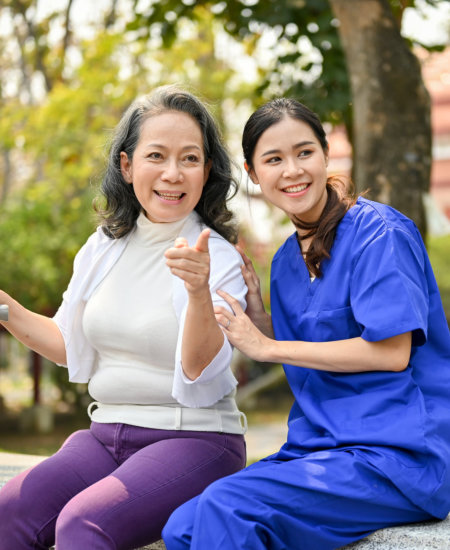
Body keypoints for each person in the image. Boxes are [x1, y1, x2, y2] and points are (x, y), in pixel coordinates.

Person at [162, 97, 450, 550]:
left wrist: (267, 347)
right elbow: (317, 344)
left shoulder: (380, 233)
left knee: (227, 508)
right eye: (273, 159)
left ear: (325, 153)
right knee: (182, 525)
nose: (292, 170)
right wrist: (260, 317)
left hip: (397, 456)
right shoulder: (285, 262)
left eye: (304, 152)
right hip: (321, 450)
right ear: (253, 173)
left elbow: (392, 352)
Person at [0, 86, 248, 550]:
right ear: (127, 165)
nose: (173, 174)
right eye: (157, 155)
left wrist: (197, 291)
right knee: (9, 511)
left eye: (190, 158)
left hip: (195, 440)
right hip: (104, 435)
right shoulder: (103, 247)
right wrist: (4, 308)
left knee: (82, 524)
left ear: (207, 170)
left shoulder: (216, 256)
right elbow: (67, 343)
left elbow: (200, 368)